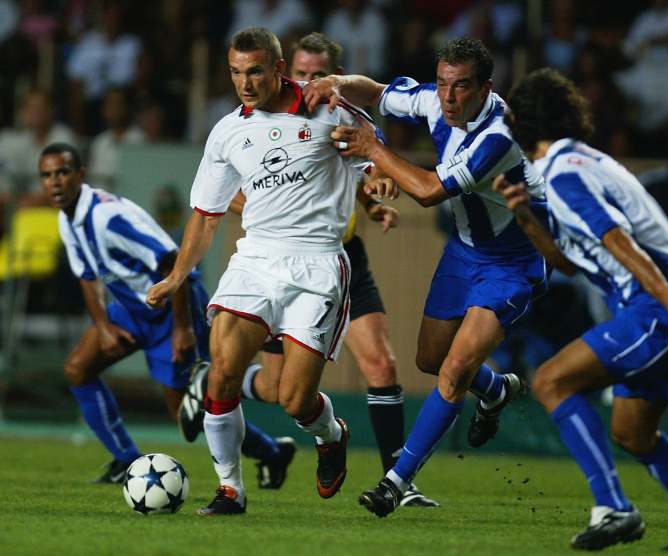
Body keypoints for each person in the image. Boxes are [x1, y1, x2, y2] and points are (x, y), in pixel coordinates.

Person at [146, 27, 386, 516]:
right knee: (223, 374)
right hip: (255, 259)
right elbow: (206, 214)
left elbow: (374, 155)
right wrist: (176, 276)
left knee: (294, 401)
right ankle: (230, 489)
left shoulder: (330, 110)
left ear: (278, 69)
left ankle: (331, 434)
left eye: (255, 71)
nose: (245, 83)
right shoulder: (227, 131)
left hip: (318, 262)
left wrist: (381, 181)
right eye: (236, 72)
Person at [305, 37, 548, 517]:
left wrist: (375, 149)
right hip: (463, 254)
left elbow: (431, 190)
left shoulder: (498, 136)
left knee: (456, 369)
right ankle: (496, 390)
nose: (448, 98)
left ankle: (396, 482)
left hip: (513, 261)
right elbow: (374, 92)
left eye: (460, 88)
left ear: (486, 89)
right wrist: (336, 81)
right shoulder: (435, 103)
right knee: (430, 359)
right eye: (441, 84)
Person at [498, 68, 668, 551]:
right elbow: (567, 263)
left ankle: (614, 508)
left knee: (549, 381)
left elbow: (615, 237)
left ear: (520, 124)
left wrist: (664, 293)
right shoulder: (581, 163)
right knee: (633, 433)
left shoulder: (565, 175)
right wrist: (524, 214)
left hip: (658, 309)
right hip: (662, 308)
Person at [230, 31, 438, 508]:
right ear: (285, 72)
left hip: (340, 259)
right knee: (280, 389)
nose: (309, 83)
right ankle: (213, 383)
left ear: (336, 80)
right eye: (300, 73)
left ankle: (397, 482)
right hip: (275, 263)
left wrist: (378, 196)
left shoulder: (339, 119)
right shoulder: (257, 124)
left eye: (318, 75)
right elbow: (232, 194)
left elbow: (369, 170)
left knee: (381, 363)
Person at [39, 142, 289, 486]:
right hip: (132, 310)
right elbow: (87, 275)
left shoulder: (108, 217)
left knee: (190, 416)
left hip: (173, 307)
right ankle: (126, 461)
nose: (54, 182)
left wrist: (183, 328)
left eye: (62, 172)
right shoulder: (69, 219)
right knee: (78, 369)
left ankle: (272, 451)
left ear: (81, 175)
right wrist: (103, 326)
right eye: (47, 175)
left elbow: (172, 261)